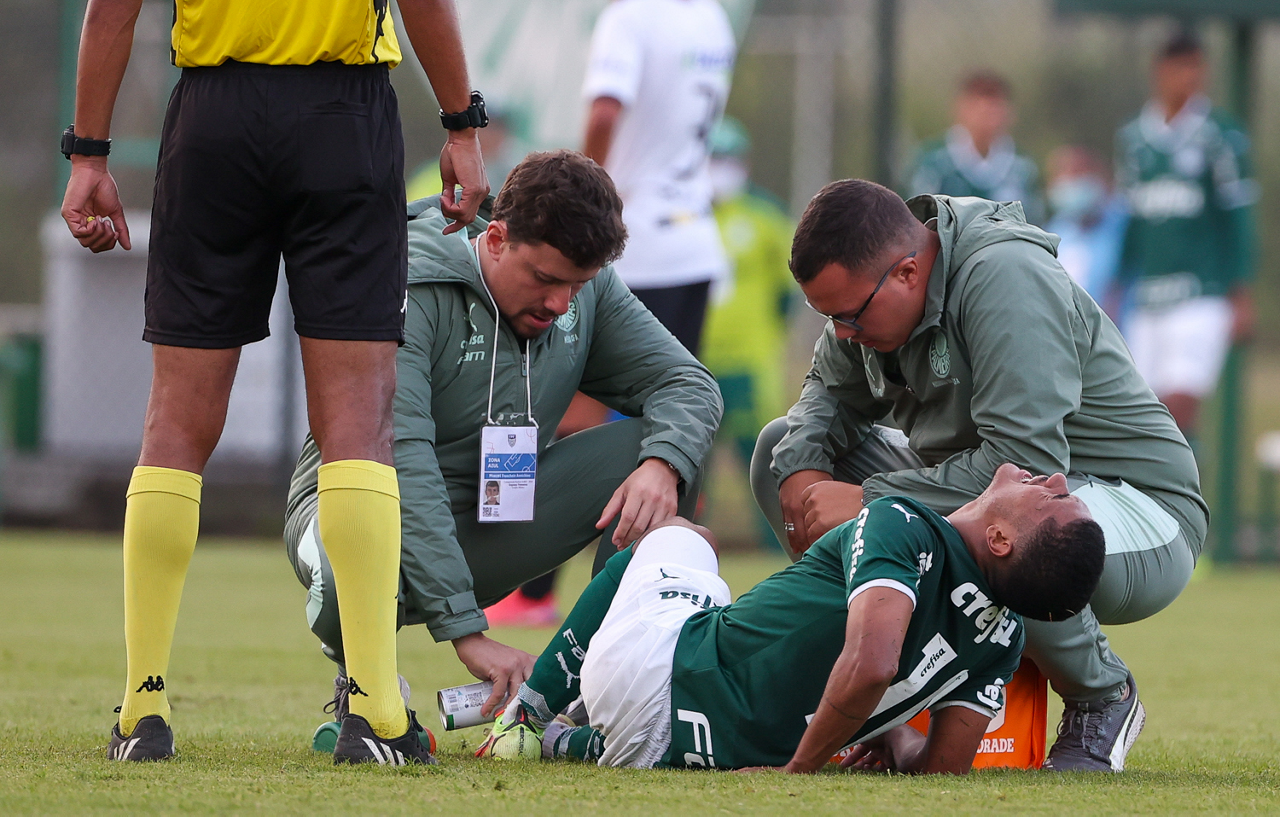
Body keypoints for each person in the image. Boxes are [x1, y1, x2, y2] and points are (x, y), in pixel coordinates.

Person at [61, 0, 488, 766]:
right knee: (355, 419)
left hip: (210, 120)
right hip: (341, 116)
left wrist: (89, 151)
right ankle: (375, 706)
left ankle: (143, 704)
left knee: (175, 419)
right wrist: (461, 122)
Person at [751, 181, 1207, 772]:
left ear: (909, 272)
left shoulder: (1004, 275)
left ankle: (1101, 694)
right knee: (778, 449)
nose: (841, 333)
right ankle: (881, 695)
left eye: (849, 315)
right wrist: (803, 472)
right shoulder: (876, 283)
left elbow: (1026, 461)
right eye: (828, 318)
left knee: (1006, 531)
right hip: (993, 487)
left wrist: (869, 498)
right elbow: (827, 393)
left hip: (1138, 510)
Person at [284, 150, 723, 728]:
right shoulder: (407, 284)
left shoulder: (584, 290)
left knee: (661, 452)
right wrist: (468, 633)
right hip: (362, 506)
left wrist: (663, 464)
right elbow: (401, 459)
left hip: (491, 519)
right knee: (346, 564)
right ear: (495, 239)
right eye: (545, 279)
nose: (561, 303)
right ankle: (366, 681)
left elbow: (689, 383)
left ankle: (606, 689)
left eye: (577, 284)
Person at [476, 464, 1104, 774]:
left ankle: (525, 715)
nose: (1051, 476)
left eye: (1050, 496)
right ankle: (571, 743)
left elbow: (872, 662)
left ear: (1000, 539)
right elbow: (943, 767)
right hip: (695, 753)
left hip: (656, 673)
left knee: (684, 537)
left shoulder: (905, 522)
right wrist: (893, 734)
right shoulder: (1005, 638)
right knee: (711, 617)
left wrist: (796, 774)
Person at [582, 0, 737, 356]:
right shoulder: (710, 14)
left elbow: (604, 114)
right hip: (696, 245)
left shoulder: (627, 15)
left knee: (594, 395)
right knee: (676, 390)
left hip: (636, 247)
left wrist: (581, 198)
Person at [1116, 29, 1258, 440]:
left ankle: (1184, 479)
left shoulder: (1222, 137)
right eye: (1182, 67)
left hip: (1201, 294)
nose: (1191, 77)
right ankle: (1175, 478)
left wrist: (1241, 290)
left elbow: (1238, 218)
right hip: (1148, 298)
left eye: (1197, 67)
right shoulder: (1134, 139)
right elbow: (1131, 220)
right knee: (1141, 417)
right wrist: (1117, 285)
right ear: (1160, 71)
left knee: (1178, 407)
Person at [699, 117, 795, 546]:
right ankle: (682, 542)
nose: (720, 167)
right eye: (713, 157)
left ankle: (780, 546)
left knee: (761, 457)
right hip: (694, 361)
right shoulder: (684, 217)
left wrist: (764, 335)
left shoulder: (766, 217)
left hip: (749, 363)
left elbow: (788, 289)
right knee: (692, 460)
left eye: (728, 158)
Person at [907, 71, 1043, 224]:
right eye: (979, 107)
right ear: (961, 109)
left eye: (995, 107)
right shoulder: (933, 162)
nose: (988, 115)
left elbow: (1035, 222)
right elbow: (915, 220)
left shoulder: (1022, 166)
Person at [1045, 146, 1127, 313]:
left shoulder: (1123, 226)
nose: (1070, 183)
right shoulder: (1052, 234)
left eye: (1078, 174)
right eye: (1063, 175)